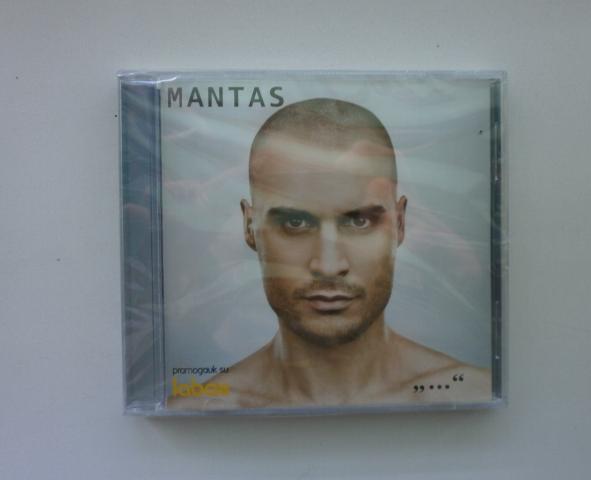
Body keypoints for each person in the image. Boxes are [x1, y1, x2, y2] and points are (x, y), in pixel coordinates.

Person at [169, 98, 491, 410]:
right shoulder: (198, 410)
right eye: (295, 223)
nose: (329, 265)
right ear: (250, 227)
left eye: (359, 222)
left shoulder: (474, 394)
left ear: (400, 224)